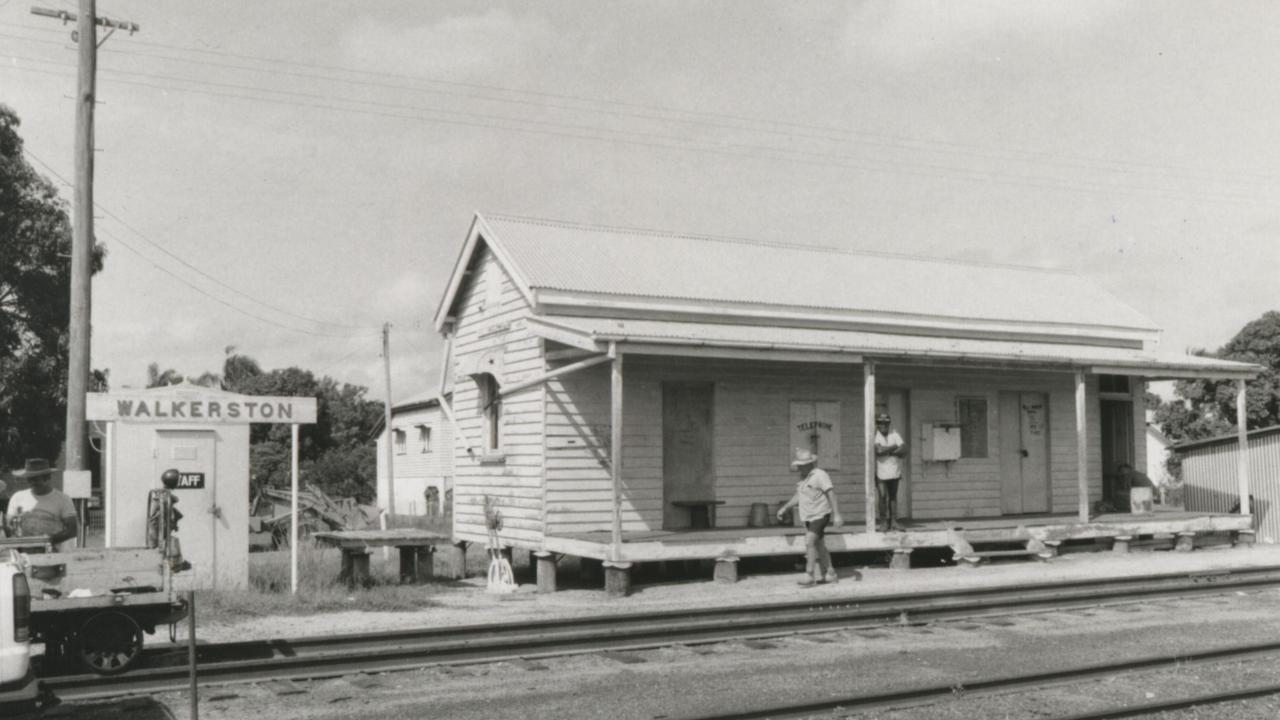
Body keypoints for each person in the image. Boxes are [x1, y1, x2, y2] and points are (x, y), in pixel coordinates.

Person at [777, 448, 843, 587]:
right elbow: (798, 496)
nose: (799, 467)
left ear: (810, 464)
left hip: (820, 514)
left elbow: (831, 493)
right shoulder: (802, 477)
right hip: (808, 516)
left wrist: (837, 514)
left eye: (802, 465)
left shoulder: (820, 474)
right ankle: (831, 574)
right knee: (819, 545)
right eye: (799, 465)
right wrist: (785, 507)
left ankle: (810, 575)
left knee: (809, 541)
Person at [4, 458, 79, 550]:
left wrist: (49, 541)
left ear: (47, 478)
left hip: (52, 550)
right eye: (29, 479)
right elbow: (8, 527)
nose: (32, 482)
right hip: (23, 551)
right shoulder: (17, 497)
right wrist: (15, 540)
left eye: (36, 479)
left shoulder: (63, 499)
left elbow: (72, 530)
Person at [874, 413, 906, 531]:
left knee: (893, 497)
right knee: (882, 496)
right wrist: (894, 447)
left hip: (894, 470)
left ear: (889, 424)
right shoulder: (875, 435)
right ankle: (883, 523)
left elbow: (904, 449)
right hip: (881, 472)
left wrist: (888, 451)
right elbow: (879, 450)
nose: (883, 425)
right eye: (881, 423)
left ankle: (893, 522)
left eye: (886, 423)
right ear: (877, 424)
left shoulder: (894, 434)